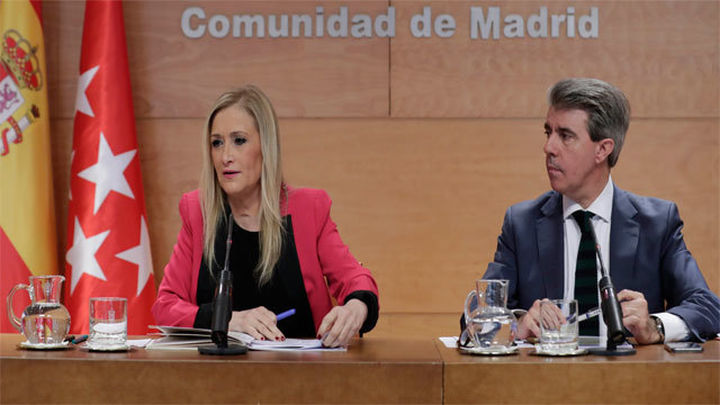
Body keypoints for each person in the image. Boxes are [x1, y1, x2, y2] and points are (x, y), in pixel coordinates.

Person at [482, 78, 720, 344]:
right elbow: (479, 316)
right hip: (548, 370)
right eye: (549, 133)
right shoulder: (522, 224)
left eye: (565, 136)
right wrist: (518, 322)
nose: (548, 147)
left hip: (630, 371)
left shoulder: (656, 223)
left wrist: (655, 326)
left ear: (603, 149)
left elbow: (708, 307)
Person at [152, 85, 379, 347]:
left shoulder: (309, 209)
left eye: (239, 140)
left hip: (302, 369)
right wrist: (228, 320)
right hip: (214, 369)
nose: (225, 156)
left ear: (266, 147)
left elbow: (356, 280)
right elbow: (165, 307)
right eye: (217, 143)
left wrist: (356, 307)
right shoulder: (198, 211)